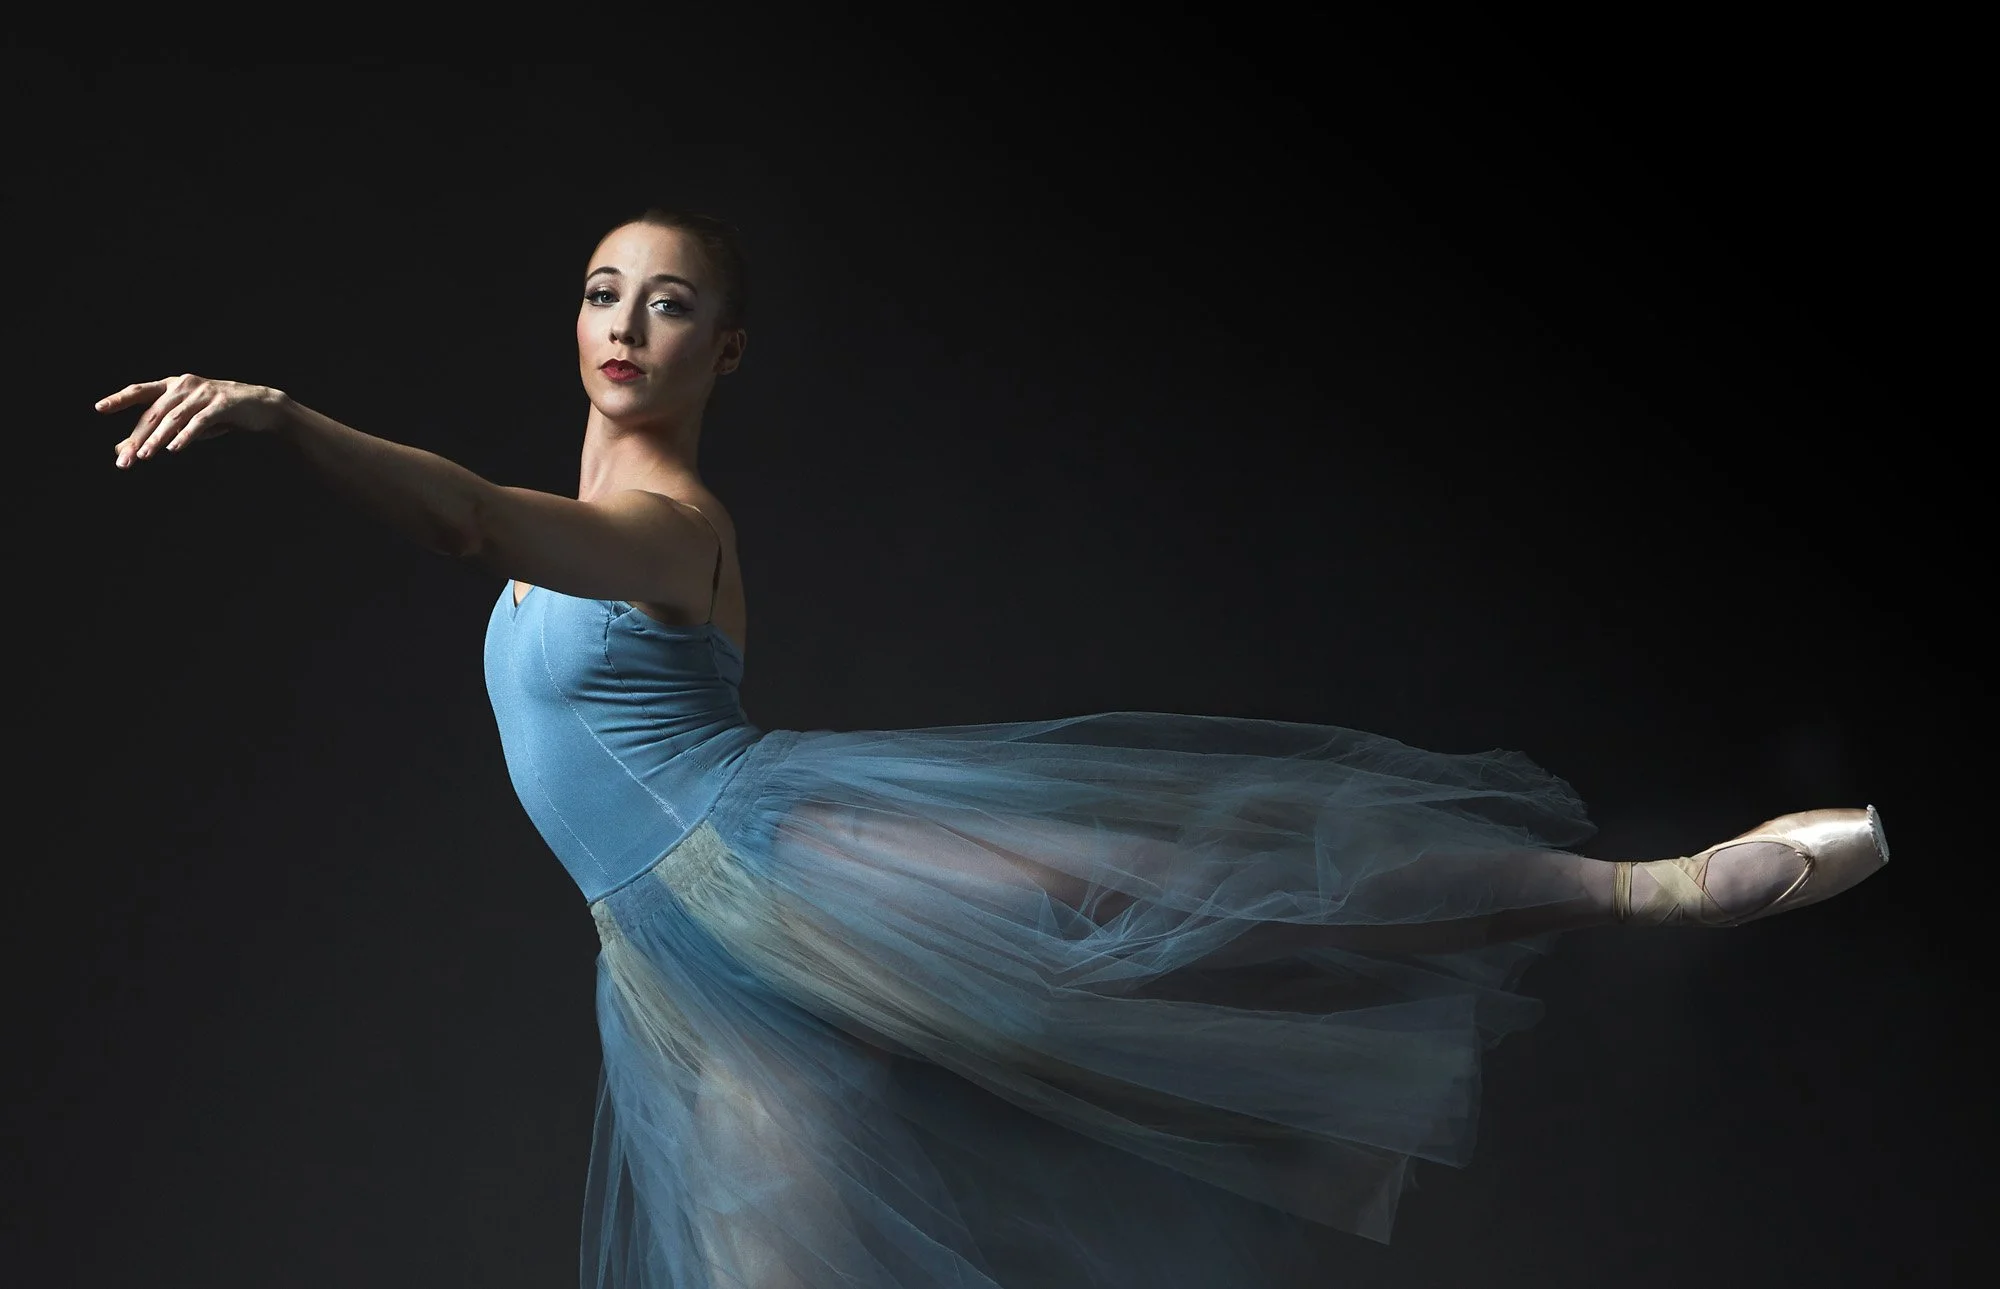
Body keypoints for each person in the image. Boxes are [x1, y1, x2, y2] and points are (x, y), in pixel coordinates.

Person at [101, 209, 1891, 1288]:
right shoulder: (579, 522)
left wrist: (283, 416)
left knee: (1184, 893)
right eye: (602, 290)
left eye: (668, 302)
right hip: (670, 965)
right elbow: (506, 558)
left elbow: (479, 527)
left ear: (729, 344)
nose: (627, 325)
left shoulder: (667, 523)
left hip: (776, 852)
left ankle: (1650, 888)